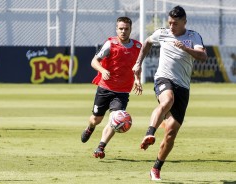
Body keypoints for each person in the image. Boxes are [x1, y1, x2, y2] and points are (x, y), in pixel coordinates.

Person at [132, 6, 207, 180]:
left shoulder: (193, 36)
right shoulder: (162, 33)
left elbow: (203, 56)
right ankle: (149, 132)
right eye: (170, 22)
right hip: (163, 79)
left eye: (175, 23)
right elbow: (148, 43)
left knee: (171, 132)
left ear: (184, 22)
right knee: (167, 100)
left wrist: (186, 49)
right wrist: (138, 63)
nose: (171, 26)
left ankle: (156, 167)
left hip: (183, 86)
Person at [81, 17, 143, 159]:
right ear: (116, 29)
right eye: (121, 28)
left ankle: (101, 147)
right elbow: (94, 61)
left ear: (130, 29)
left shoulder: (138, 47)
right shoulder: (110, 44)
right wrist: (102, 70)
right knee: (96, 119)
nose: (123, 31)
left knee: (116, 120)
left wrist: (138, 80)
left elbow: (137, 68)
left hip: (122, 92)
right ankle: (90, 128)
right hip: (105, 88)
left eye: (126, 29)